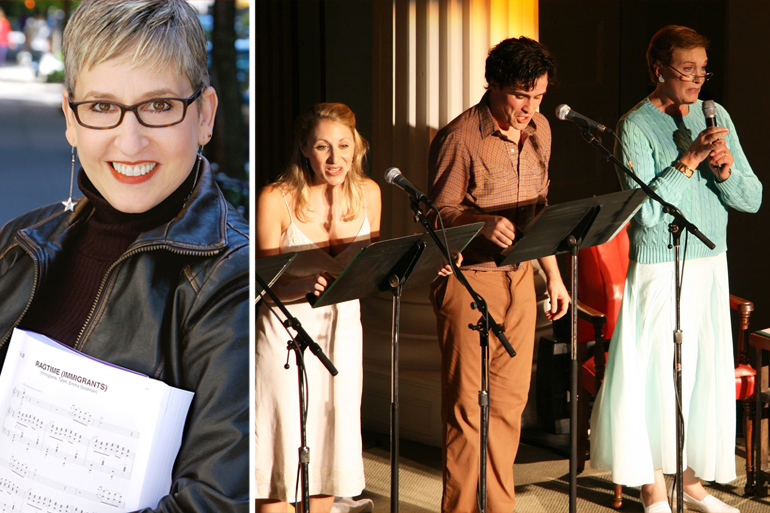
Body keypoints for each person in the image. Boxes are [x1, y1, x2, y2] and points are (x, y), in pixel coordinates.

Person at [0, 1, 249, 511]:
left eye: (159, 106)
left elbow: (214, 501)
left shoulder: (234, 280)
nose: (129, 141)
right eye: (101, 106)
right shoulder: (17, 243)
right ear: (71, 119)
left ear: (204, 115)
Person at [590, 25, 762, 513]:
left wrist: (725, 170)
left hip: (710, 264)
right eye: (687, 68)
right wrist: (688, 161)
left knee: (697, 375)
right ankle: (650, 484)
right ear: (659, 69)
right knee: (657, 378)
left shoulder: (717, 114)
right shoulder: (635, 127)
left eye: (703, 69)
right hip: (660, 268)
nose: (698, 78)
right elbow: (645, 215)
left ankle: (688, 481)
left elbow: (751, 199)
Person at [428, 36, 570, 512]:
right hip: (470, 279)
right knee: (469, 411)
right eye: (520, 95)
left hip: (521, 279)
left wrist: (555, 277)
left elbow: (540, 212)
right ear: (492, 85)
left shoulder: (542, 131)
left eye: (539, 96)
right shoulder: (460, 137)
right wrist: (480, 223)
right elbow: (436, 214)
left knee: (509, 408)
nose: (530, 107)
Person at [255, 102, 382, 513]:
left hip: (342, 334)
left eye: (343, 146)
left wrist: (419, 268)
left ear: (356, 147)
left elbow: (372, 268)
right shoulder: (276, 198)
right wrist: (301, 283)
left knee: (331, 450)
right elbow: (261, 284)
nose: (335, 157)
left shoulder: (370, 194)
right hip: (284, 335)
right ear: (305, 149)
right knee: (281, 451)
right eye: (323, 147)